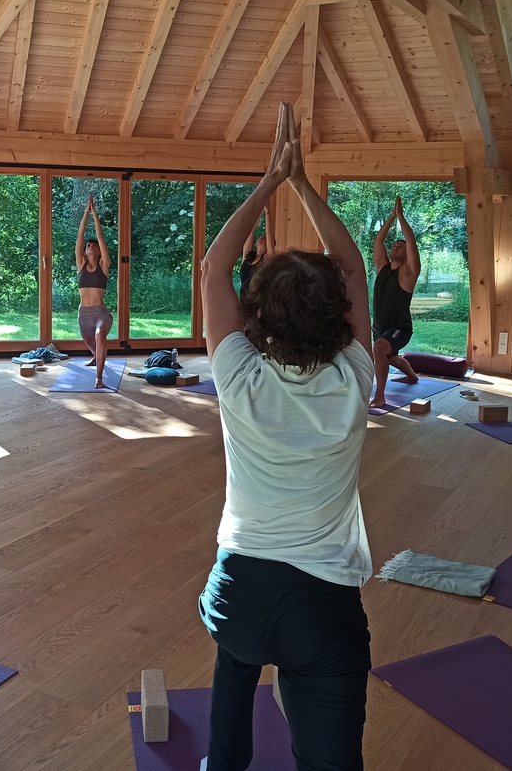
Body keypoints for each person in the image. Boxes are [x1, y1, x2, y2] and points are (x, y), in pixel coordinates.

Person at [198, 102, 373, 771]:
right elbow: (352, 268)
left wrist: (272, 179)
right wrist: (302, 182)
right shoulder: (355, 377)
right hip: (322, 611)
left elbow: (214, 267)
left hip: (239, 594)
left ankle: (224, 758)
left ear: (257, 314)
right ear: (338, 316)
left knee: (238, 648)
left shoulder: (238, 376)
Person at [370, 197, 421, 408]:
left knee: (380, 349)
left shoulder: (409, 273)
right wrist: (391, 217)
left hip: (400, 328)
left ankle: (380, 396)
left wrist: (401, 217)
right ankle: (412, 376)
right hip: (379, 327)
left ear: (408, 254)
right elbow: (378, 241)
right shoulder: (382, 267)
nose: (396, 247)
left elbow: (411, 242)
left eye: (401, 247)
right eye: (394, 246)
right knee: (390, 358)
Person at [76, 192, 113, 389]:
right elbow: (80, 236)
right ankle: (95, 356)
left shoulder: (104, 265)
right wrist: (85, 212)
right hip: (83, 313)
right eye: (88, 246)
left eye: (93, 245)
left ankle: (99, 378)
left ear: (99, 251)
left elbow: (100, 236)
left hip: (100, 313)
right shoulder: (81, 265)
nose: (90, 246)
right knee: (91, 343)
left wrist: (94, 212)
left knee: (100, 335)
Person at [238, 205, 273, 296]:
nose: (261, 237)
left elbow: (269, 233)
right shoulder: (248, 256)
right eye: (261, 236)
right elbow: (250, 231)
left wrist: (267, 211)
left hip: (257, 302)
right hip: (243, 301)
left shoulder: (268, 259)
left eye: (264, 238)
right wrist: (260, 209)